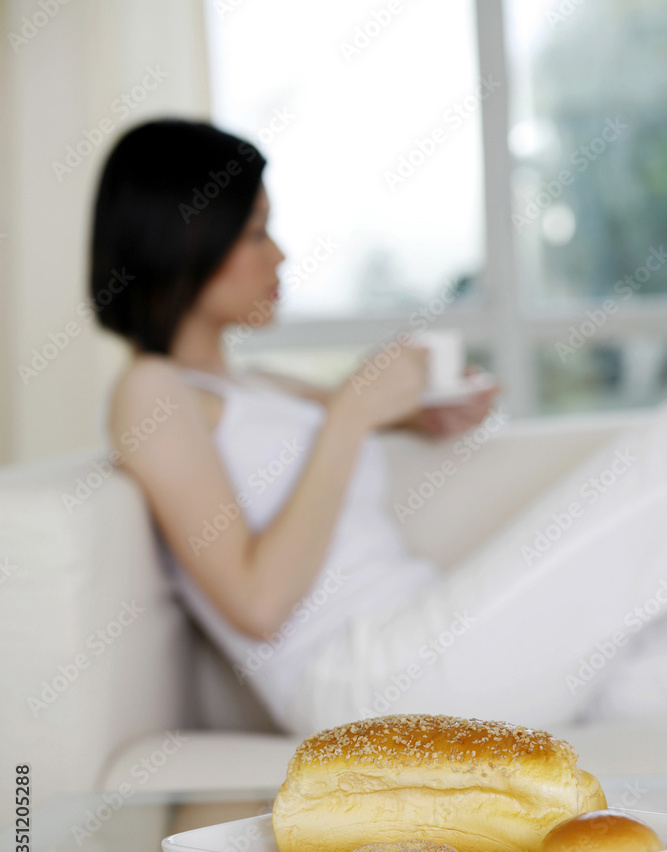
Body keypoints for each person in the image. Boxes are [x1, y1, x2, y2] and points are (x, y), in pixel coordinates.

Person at [94, 118, 667, 736]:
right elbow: (257, 605)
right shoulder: (150, 391)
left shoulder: (258, 383)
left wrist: (428, 414)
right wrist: (351, 415)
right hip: (362, 686)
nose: (280, 254)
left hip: (419, 635)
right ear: (186, 239)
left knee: (649, 669)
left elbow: (376, 415)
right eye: (257, 231)